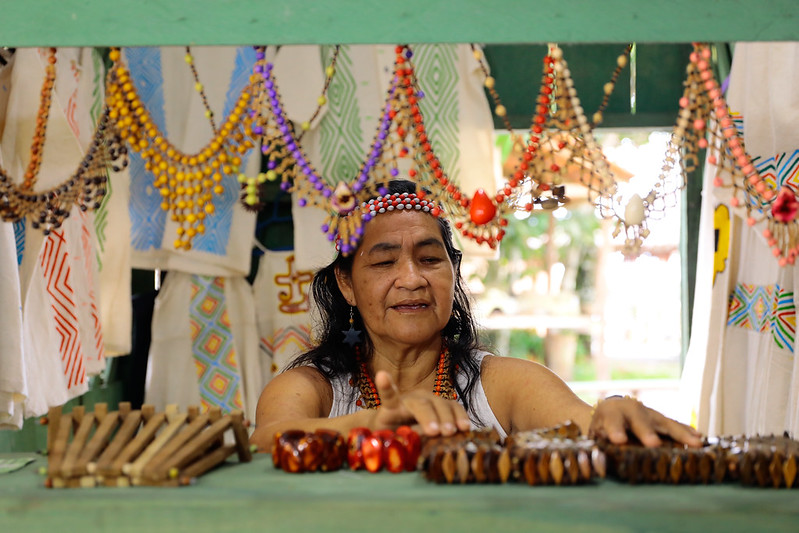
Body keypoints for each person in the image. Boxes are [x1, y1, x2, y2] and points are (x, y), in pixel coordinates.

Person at [250, 180, 702, 451]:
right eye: (384, 262)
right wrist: (370, 425)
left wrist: (614, 412)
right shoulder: (314, 388)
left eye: (429, 259)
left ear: (454, 272)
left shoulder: (502, 384)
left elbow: (583, 422)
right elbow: (267, 439)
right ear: (346, 283)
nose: (411, 279)